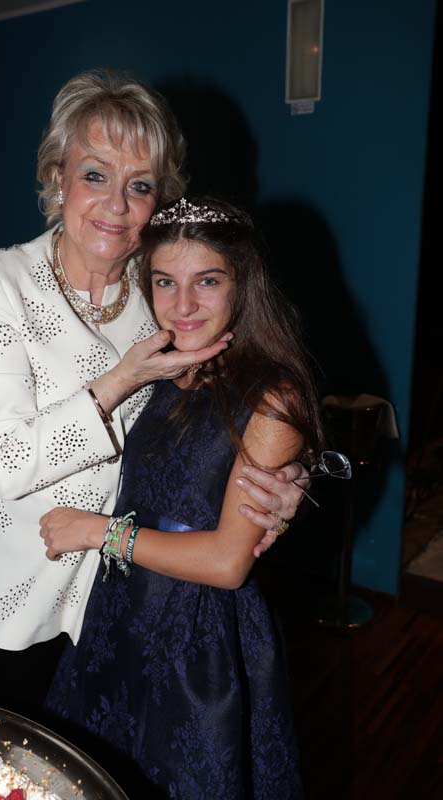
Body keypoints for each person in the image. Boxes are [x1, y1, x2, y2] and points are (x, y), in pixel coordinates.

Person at [0, 70, 307, 716]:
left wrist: (286, 477)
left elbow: (234, 398)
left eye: (139, 185)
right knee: (38, 755)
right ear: (58, 177)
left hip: (131, 587)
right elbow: (5, 464)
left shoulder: (161, 285)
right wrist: (121, 380)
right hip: (23, 587)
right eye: (95, 175)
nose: (116, 205)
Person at [41, 197, 324, 799]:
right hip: (121, 612)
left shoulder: (272, 394)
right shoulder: (174, 367)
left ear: (243, 284)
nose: (184, 304)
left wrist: (96, 531)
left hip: (199, 636)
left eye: (208, 281)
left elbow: (227, 563)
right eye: (165, 281)